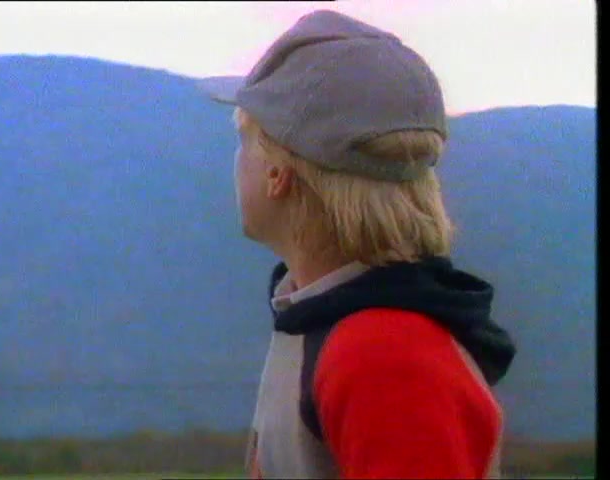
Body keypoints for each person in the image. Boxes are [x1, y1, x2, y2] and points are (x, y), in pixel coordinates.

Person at [197, 9, 516, 479]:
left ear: (277, 173)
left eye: (246, 140)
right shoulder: (321, 317)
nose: (237, 161)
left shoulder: (384, 357)